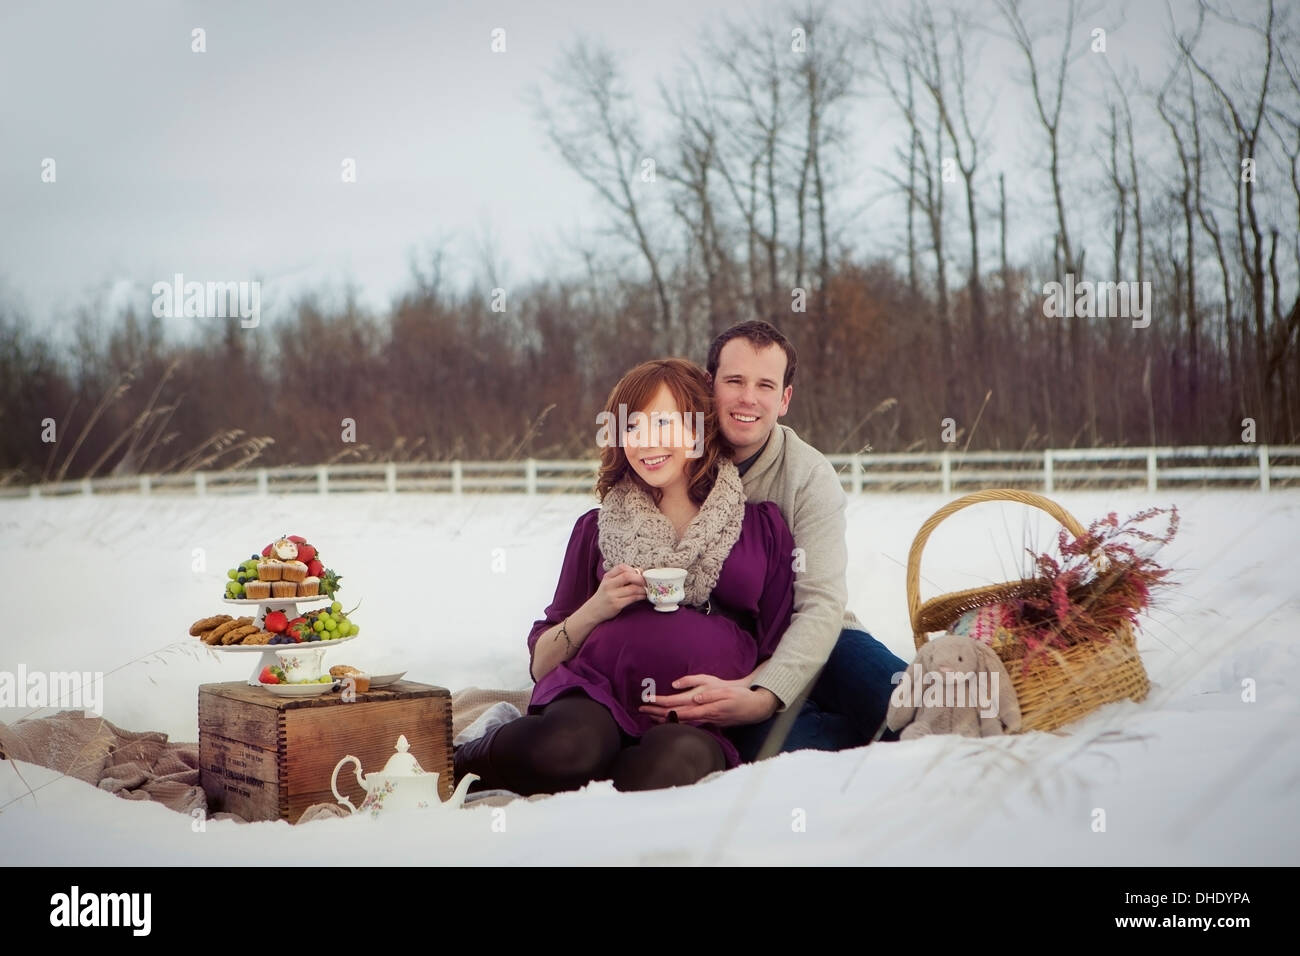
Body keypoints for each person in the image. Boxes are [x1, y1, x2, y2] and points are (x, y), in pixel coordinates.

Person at [454, 358, 798, 794]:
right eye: (631, 428)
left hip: (693, 721)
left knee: (665, 773)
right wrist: (598, 606)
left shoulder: (761, 530)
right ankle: (463, 758)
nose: (645, 442)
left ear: (699, 429)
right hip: (594, 697)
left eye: (663, 424)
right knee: (566, 748)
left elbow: (782, 647)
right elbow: (542, 663)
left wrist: (742, 694)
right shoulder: (597, 529)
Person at [635, 321, 908, 761]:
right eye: (735, 381)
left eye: (765, 385)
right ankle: (837, 737)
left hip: (816, 638)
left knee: (906, 704)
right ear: (709, 385)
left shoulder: (809, 476)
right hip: (728, 651)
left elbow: (821, 606)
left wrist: (763, 693)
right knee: (781, 752)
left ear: (784, 399)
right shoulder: (673, 462)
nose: (748, 398)